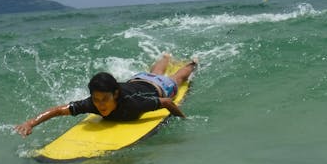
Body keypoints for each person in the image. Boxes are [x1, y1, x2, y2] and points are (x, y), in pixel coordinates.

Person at [15, 53, 198, 138]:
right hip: (138, 80)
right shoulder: (93, 103)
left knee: (177, 78)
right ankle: (166, 57)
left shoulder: (133, 104)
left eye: (104, 100)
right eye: (96, 99)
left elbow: (166, 102)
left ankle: (193, 62)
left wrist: (183, 119)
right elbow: (59, 110)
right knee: (154, 71)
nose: (100, 105)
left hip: (160, 86)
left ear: (115, 95)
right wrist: (31, 123)